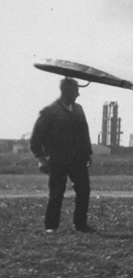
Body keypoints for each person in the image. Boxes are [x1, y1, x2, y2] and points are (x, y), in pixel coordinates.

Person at [30, 77, 96, 233]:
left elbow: (84, 133)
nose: (78, 94)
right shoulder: (49, 112)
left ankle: (80, 224)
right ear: (66, 91)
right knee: (56, 193)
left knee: (84, 191)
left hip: (78, 159)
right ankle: (51, 227)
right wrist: (41, 160)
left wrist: (88, 154)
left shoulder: (79, 109)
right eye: (75, 91)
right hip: (57, 160)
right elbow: (35, 139)